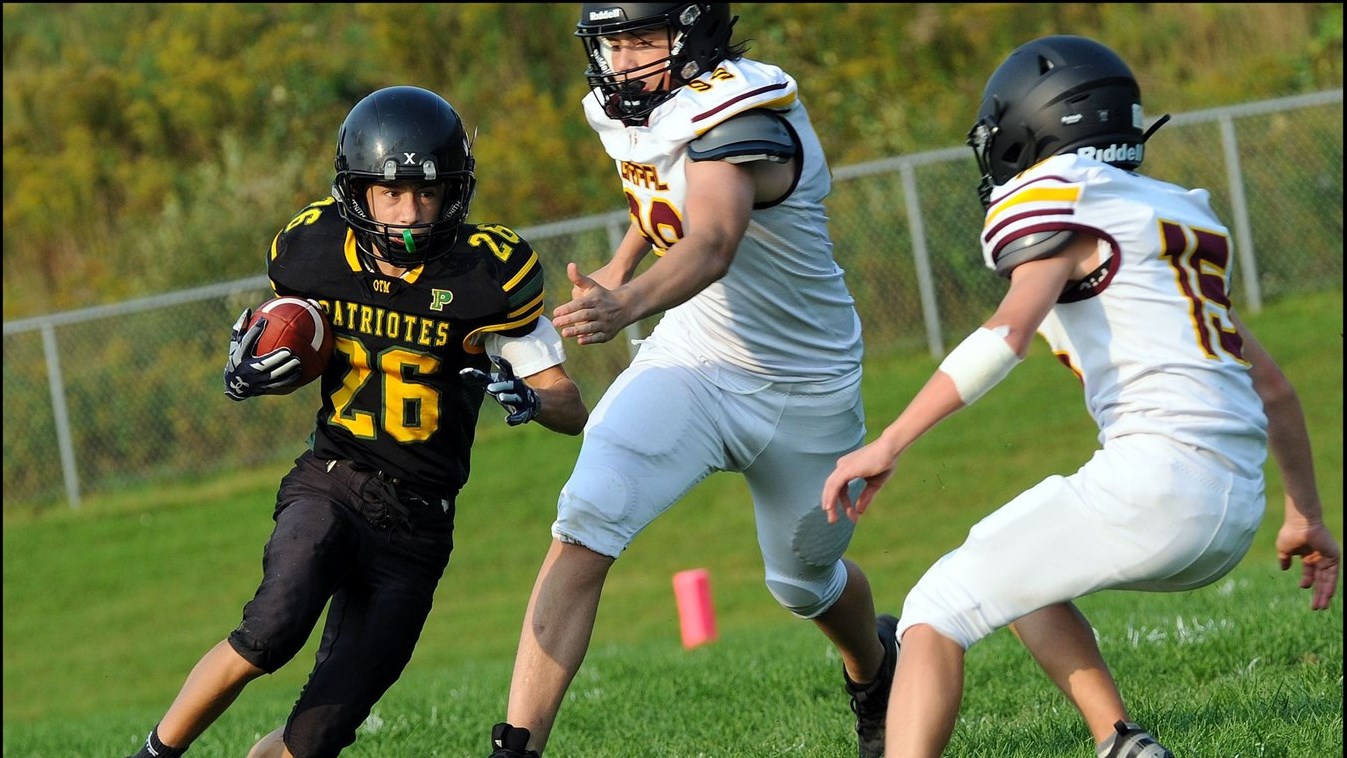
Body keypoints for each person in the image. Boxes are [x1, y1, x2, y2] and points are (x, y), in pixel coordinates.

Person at [820, 34, 1341, 758]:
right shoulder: (1165, 213)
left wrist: (889, 440)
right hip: (1233, 508)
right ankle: (1120, 741)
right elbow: (1275, 390)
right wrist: (1304, 516)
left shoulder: (1062, 203)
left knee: (933, 609)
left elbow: (1008, 332)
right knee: (1019, 568)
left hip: (1153, 484)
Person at [124, 85, 588, 758]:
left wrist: (530, 399)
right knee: (270, 632)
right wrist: (249, 364)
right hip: (333, 483)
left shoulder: (488, 273)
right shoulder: (314, 250)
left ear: (454, 192)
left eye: (427, 193)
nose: (409, 213)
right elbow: (281, 328)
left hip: (420, 527)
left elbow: (569, 407)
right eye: (390, 193)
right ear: (356, 192)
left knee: (315, 738)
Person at [484, 5, 898, 758]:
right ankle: (516, 747)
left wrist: (626, 303)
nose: (623, 60)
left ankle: (876, 670)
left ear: (693, 34)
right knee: (585, 519)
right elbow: (663, 190)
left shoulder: (741, 106)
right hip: (695, 360)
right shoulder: (643, 105)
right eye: (612, 43)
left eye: (642, 39)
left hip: (803, 386)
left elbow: (712, 237)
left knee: (803, 584)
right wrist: (619, 265)